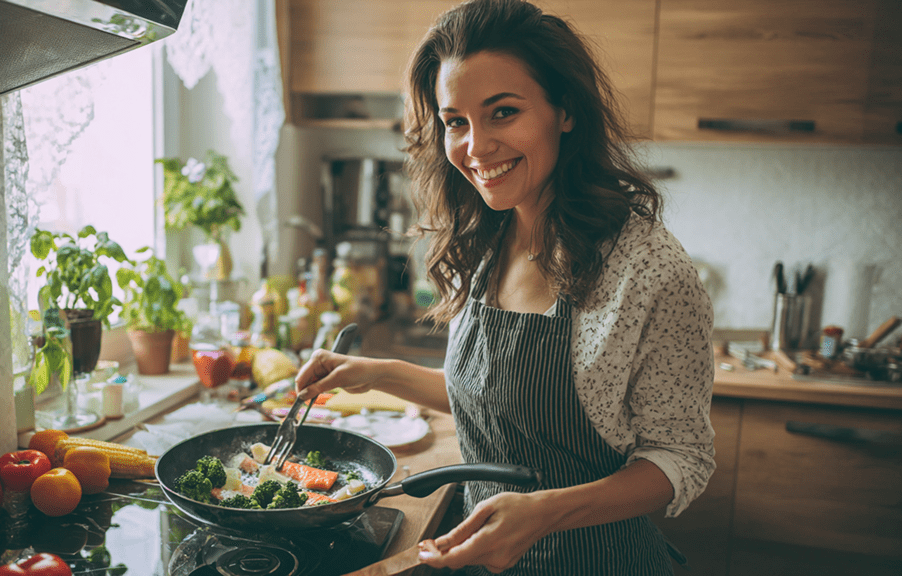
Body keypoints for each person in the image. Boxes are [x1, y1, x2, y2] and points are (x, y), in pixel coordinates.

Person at [295, 0, 715, 573]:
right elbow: (499, 406)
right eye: (455, 121)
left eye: (503, 112)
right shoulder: (489, 239)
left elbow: (680, 458)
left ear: (564, 110)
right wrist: (375, 374)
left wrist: (543, 513)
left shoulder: (647, 267)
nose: (475, 147)